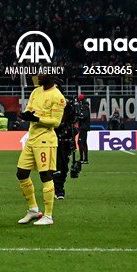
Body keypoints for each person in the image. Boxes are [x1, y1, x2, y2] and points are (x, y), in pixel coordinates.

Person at [16, 75, 66, 226]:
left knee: (45, 175)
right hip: (32, 139)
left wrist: (37, 119)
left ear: (51, 77)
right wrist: (26, 115)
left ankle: (48, 216)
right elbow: (30, 108)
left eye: (42, 75)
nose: (38, 77)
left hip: (46, 140)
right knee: (21, 173)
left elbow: (56, 122)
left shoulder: (58, 96)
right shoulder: (36, 92)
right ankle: (33, 210)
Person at [54, 96, 78, 200]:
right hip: (54, 141)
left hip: (66, 142)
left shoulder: (69, 119)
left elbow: (75, 123)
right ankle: (57, 190)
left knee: (64, 167)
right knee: (56, 167)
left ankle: (59, 188)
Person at [74, 94, 90, 163]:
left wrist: (78, 116)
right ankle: (85, 159)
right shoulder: (86, 106)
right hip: (84, 126)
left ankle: (82, 159)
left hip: (83, 127)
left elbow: (84, 116)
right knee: (83, 142)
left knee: (80, 142)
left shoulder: (84, 107)